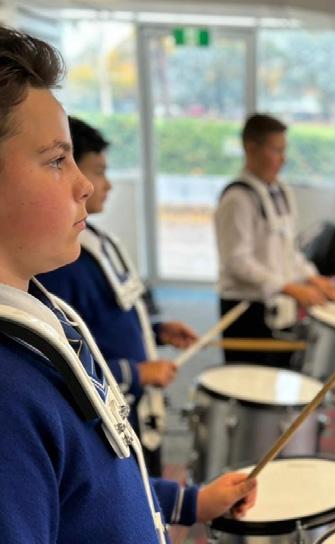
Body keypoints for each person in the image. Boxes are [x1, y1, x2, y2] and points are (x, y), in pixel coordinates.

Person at [0, 19, 324, 544]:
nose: (84, 185)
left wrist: (187, 501)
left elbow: (83, 489)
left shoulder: (31, 309)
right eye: (56, 161)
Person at [38, 116, 196, 477]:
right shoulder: (61, 264)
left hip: (138, 403)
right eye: (98, 172)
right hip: (112, 410)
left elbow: (107, 318)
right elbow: (68, 359)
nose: (102, 185)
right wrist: (137, 373)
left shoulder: (97, 240)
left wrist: (155, 331)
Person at [214, 113, 335, 367]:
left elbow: (287, 251)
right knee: (249, 385)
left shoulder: (281, 192)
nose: (283, 159)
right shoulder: (237, 199)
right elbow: (237, 262)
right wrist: (289, 287)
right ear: (250, 148)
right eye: (276, 150)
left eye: (284, 150)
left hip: (279, 310)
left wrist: (311, 277)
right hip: (246, 312)